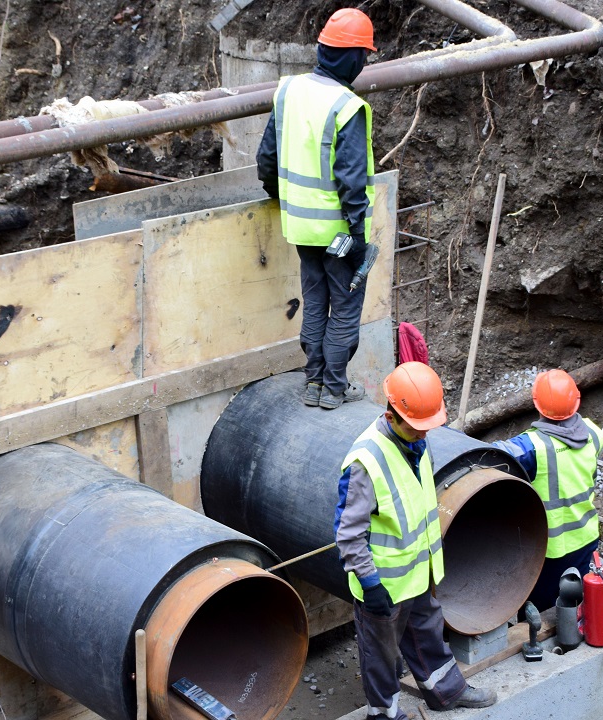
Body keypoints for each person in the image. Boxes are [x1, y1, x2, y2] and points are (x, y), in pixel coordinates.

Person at [334, 362, 498, 719]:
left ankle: (446, 691)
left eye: (428, 426)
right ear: (392, 415)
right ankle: (384, 714)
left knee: (428, 634)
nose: (424, 434)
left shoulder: (417, 446)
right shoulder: (366, 461)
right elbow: (348, 533)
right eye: (416, 427)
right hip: (384, 584)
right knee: (380, 656)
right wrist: (370, 583)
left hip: (417, 574)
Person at [256, 8, 376, 410]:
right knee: (344, 306)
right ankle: (335, 387)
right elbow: (352, 180)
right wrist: (357, 235)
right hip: (339, 232)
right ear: (354, 58)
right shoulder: (347, 106)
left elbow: (267, 158)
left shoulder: (288, 91)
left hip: (300, 227)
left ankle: (313, 383)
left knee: (314, 300)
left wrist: (281, 198)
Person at [492, 369, 603, 611]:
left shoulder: (531, 447)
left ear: (537, 405)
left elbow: (493, 455)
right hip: (585, 538)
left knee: (539, 613)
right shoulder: (594, 433)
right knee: (579, 602)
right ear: (576, 400)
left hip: (548, 550)